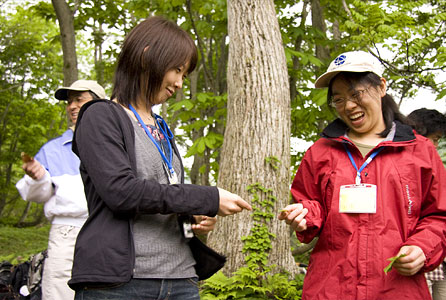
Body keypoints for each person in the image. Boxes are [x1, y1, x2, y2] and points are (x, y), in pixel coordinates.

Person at [68, 16, 252, 300]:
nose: (179, 83)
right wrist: (207, 197)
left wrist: (194, 217)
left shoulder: (162, 128)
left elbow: (165, 193)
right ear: (146, 56)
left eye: (184, 74)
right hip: (121, 285)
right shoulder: (101, 115)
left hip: (182, 280)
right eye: (177, 70)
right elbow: (121, 193)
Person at [278, 50, 446, 299]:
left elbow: (438, 216)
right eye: (338, 99)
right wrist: (304, 215)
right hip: (330, 288)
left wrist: (422, 248)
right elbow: (309, 204)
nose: (349, 105)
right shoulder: (320, 152)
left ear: (381, 87)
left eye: (356, 94)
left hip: (397, 289)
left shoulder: (420, 150)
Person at [16, 80, 107, 300]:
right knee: (59, 294)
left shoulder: (115, 145)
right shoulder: (52, 150)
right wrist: (38, 178)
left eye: (79, 99)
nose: (72, 106)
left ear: (98, 104)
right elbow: (36, 194)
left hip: (107, 232)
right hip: (66, 235)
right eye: (69, 102)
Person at [407, 108, 446, 299]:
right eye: (436, 138)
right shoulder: (406, 163)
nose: (436, 145)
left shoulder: (434, 164)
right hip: (417, 255)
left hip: (437, 251)